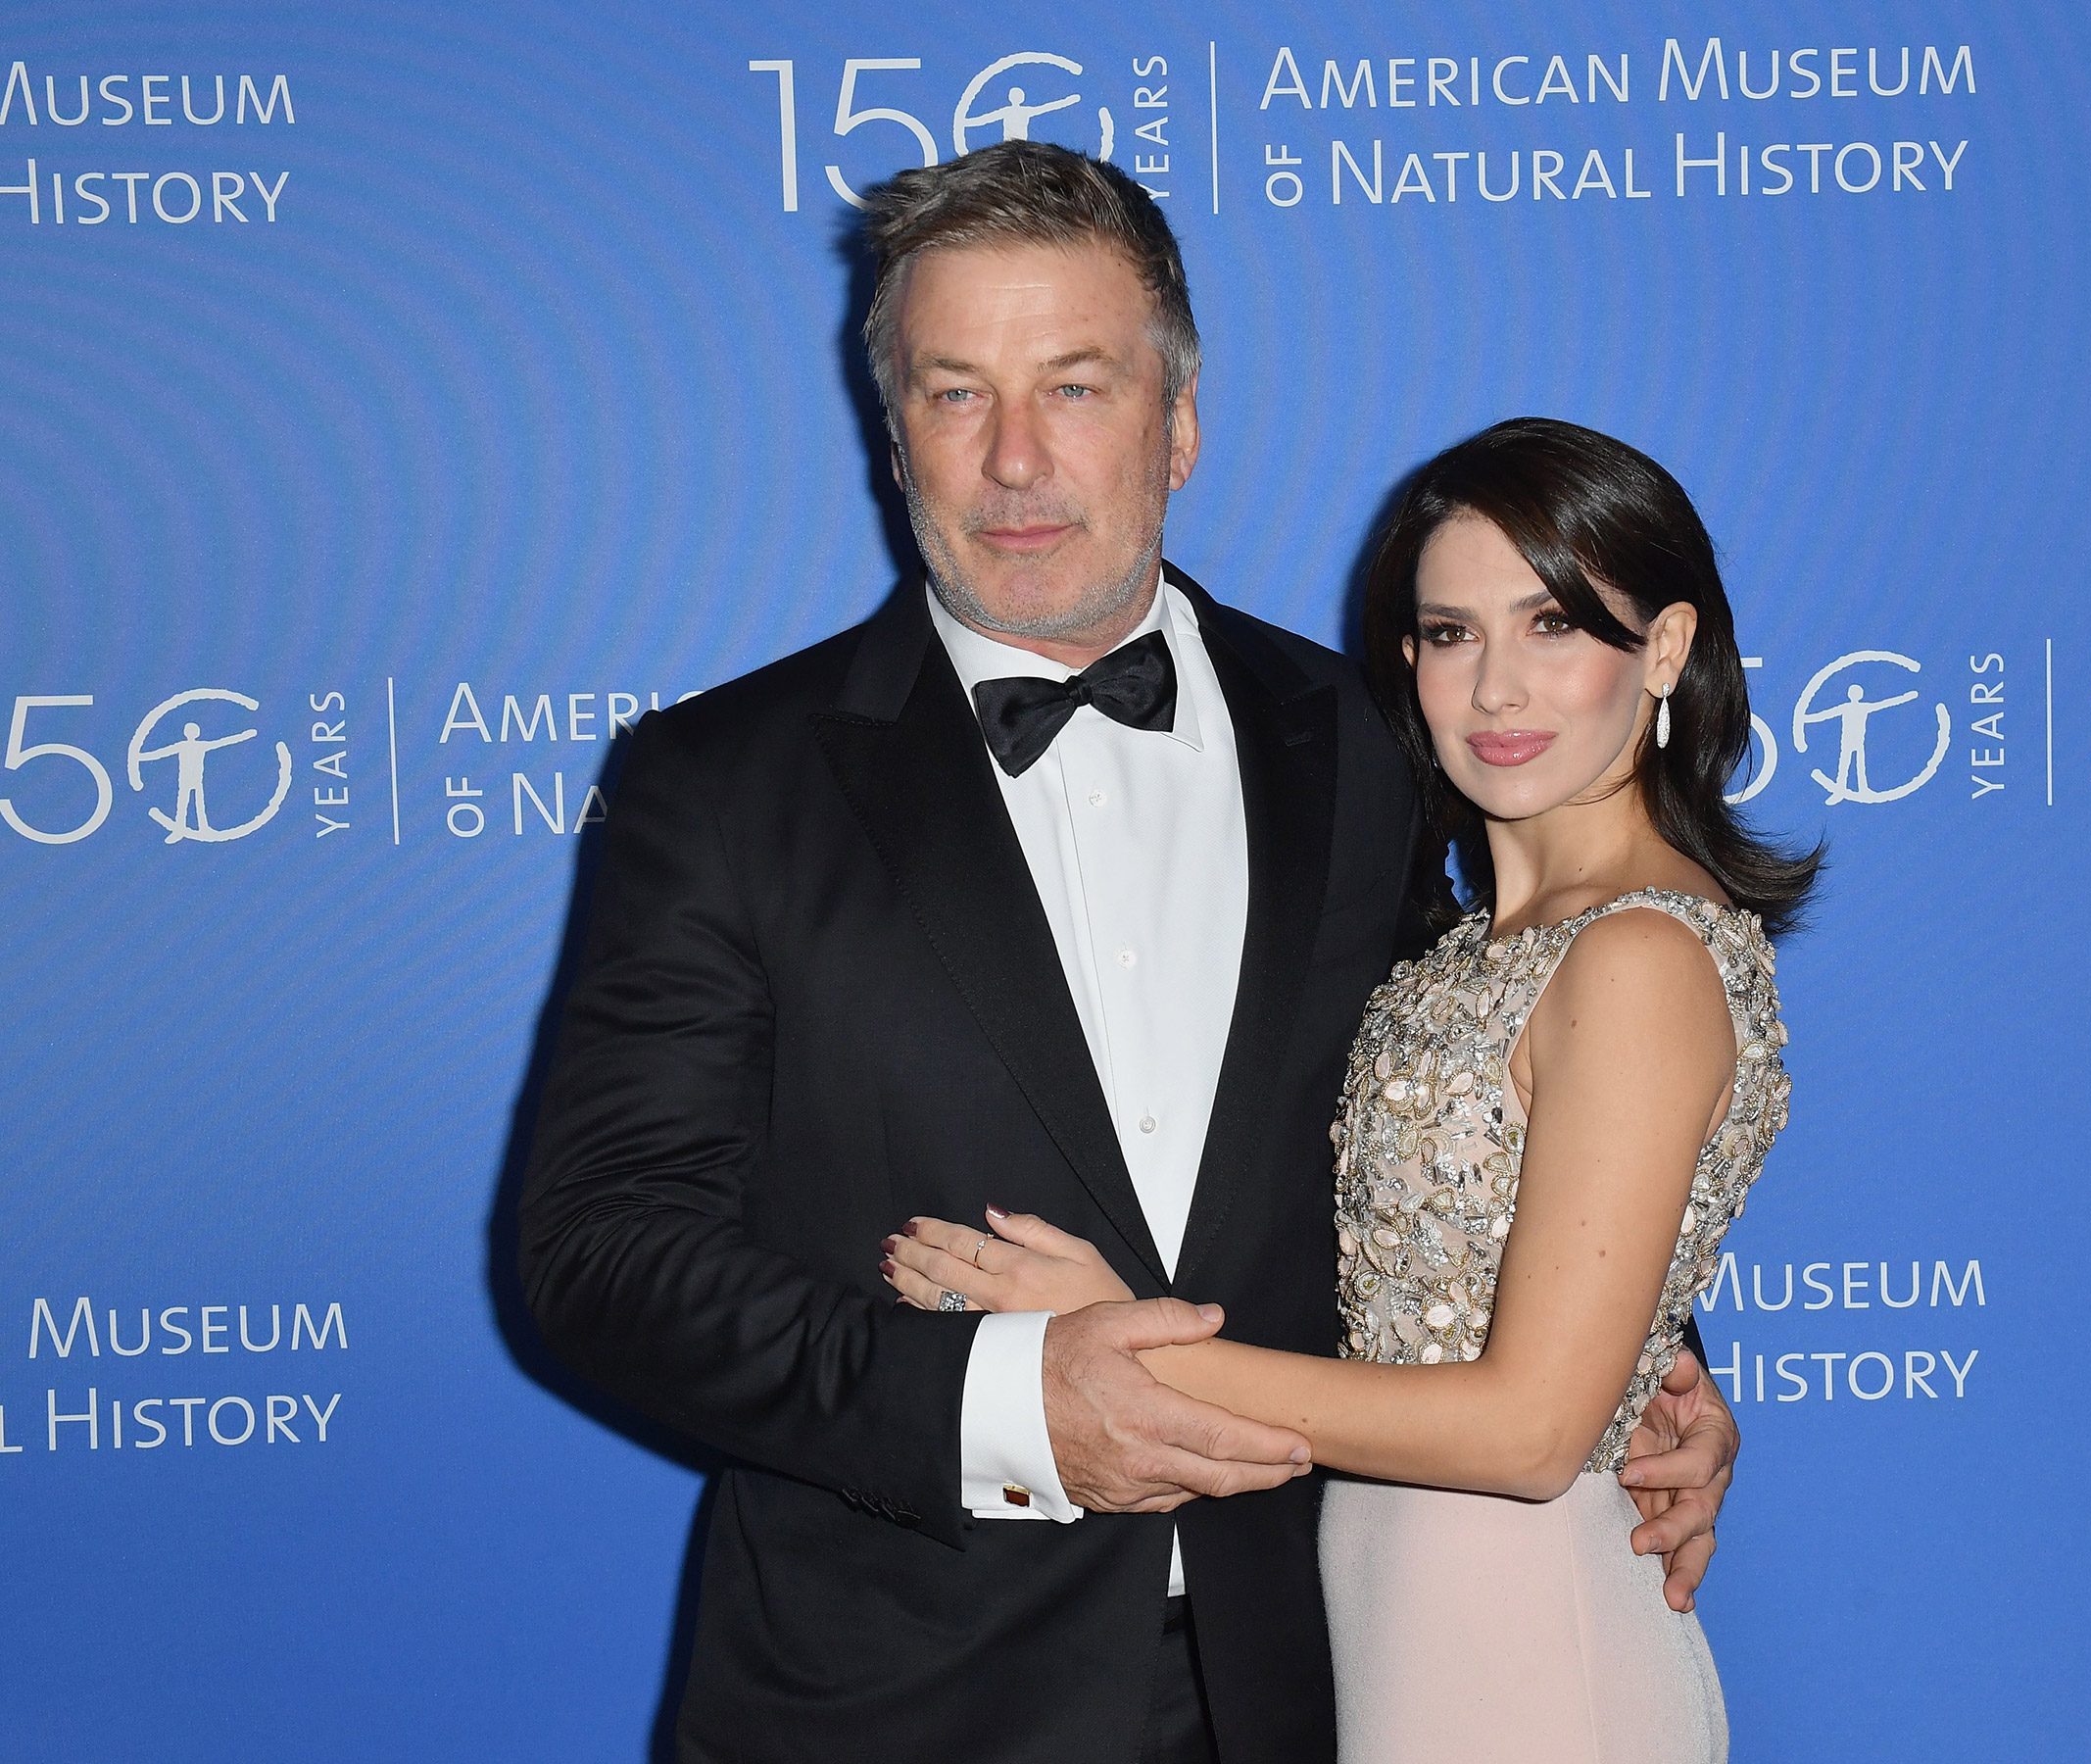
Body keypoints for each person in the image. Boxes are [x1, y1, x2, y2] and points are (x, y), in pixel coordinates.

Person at [519, 140, 1740, 1764]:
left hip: (1324, 1676)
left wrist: (1642, 1363)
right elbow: (604, 1254)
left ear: (1178, 422)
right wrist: (1007, 1408)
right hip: (897, 1702)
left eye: (1076, 386)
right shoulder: (725, 782)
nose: (1016, 460)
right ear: (893, 438)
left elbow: (1488, 1103)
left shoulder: (1366, 736)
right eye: (956, 394)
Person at [879, 418, 1817, 1763]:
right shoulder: (1470, 934)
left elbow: (1530, 1432)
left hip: (1526, 1648)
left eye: (1551, 626)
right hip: (1393, 1629)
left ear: (1661, 652)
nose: (1495, 690)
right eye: (1447, 634)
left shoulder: (1638, 956)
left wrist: (1128, 1343)